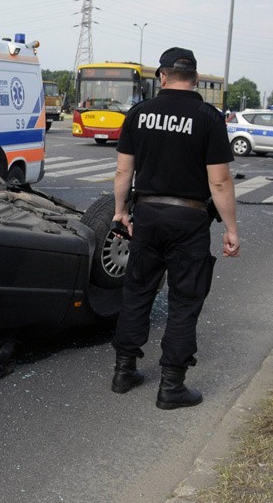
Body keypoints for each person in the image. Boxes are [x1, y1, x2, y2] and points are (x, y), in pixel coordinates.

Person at [110, 47, 240, 410]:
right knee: (184, 301)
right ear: (195, 79)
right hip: (189, 218)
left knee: (137, 292)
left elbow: (124, 172)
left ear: (162, 77)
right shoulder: (208, 117)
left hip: (147, 215)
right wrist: (231, 228)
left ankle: (123, 372)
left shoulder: (138, 113)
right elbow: (219, 183)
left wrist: (121, 212)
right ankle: (172, 386)